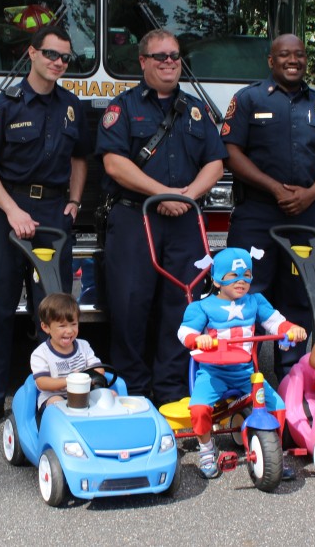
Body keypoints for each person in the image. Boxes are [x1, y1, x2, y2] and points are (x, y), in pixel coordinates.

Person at [97, 28, 227, 406]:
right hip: (135, 220)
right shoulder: (122, 108)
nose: (170, 62)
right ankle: (132, 393)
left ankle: (172, 392)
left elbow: (215, 163)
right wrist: (162, 194)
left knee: (183, 308)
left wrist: (187, 196)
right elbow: (114, 164)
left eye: (175, 56)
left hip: (186, 222)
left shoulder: (197, 110)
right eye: (160, 57)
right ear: (143, 62)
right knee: (129, 307)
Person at [0, 24, 89, 430]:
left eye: (65, 58)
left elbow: (79, 159)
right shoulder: (3, 105)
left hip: (54, 215)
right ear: (32, 53)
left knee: (56, 314)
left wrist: (73, 201)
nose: (59, 63)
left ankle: (50, 397)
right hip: (7, 213)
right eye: (52, 55)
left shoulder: (72, 106)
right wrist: (12, 210)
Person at [221, 34, 315, 381]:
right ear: (271, 61)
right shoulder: (248, 99)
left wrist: (309, 195)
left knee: (299, 299)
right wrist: (275, 188)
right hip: (257, 215)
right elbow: (231, 152)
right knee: (243, 295)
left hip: (303, 217)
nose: (293, 61)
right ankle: (241, 381)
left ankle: (292, 379)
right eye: (285, 55)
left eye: (300, 55)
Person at [178, 248, 306, 479]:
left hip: (244, 371)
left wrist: (291, 329)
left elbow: (275, 322)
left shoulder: (255, 301)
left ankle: (274, 452)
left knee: (277, 405)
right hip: (212, 372)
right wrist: (198, 338)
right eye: (232, 276)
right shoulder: (203, 306)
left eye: (247, 275)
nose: (241, 281)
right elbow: (184, 332)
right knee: (198, 409)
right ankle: (206, 450)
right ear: (217, 281)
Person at [30, 293, 103, 409]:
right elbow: (42, 382)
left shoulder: (83, 345)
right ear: (46, 327)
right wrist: (70, 380)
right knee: (58, 403)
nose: (69, 331)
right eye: (62, 326)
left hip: (83, 394)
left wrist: (88, 376)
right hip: (55, 396)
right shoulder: (40, 354)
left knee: (109, 395)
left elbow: (99, 369)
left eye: (73, 324)